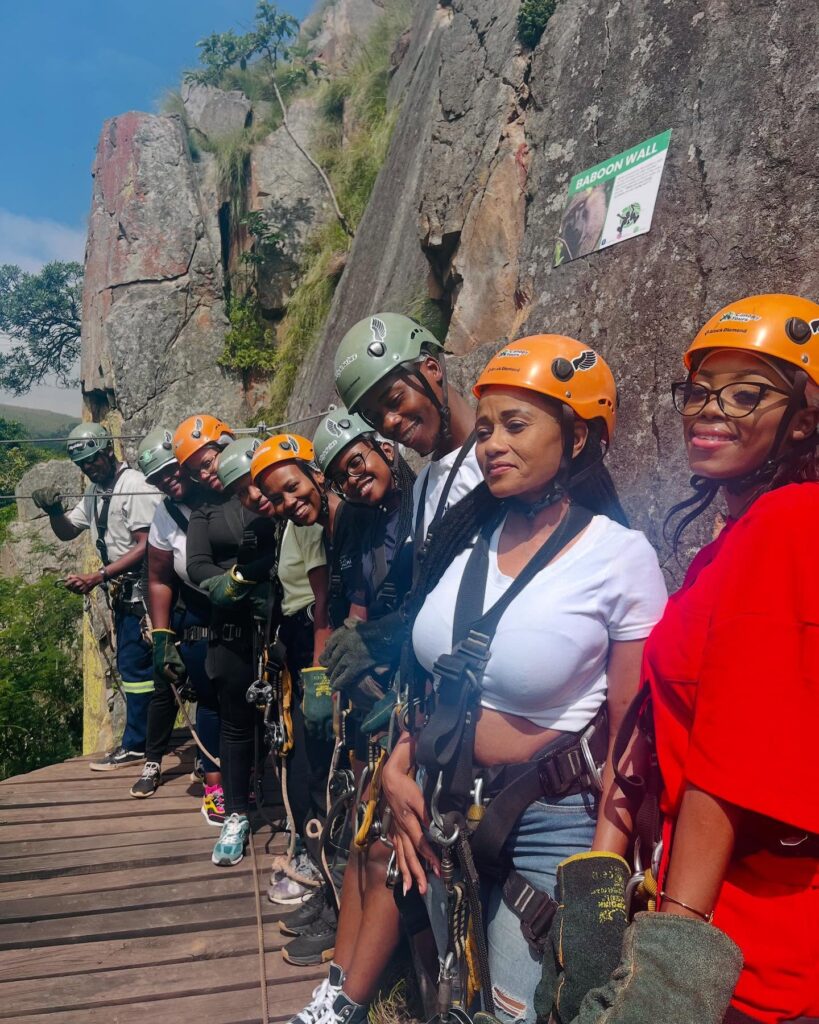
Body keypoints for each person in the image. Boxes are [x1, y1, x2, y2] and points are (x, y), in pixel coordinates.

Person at [361, 335, 667, 1024]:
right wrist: (396, 766)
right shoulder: (464, 539)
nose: (491, 442)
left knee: (517, 1008)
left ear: (579, 438)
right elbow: (433, 681)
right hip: (438, 799)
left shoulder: (619, 559)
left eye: (516, 425)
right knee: (454, 988)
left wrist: (601, 877)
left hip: (546, 815)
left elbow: (629, 732)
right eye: (488, 425)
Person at [571, 295, 819, 1024]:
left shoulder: (786, 522)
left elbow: (730, 756)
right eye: (699, 390)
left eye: (745, 393)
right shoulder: (729, 541)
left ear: (803, 418)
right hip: (719, 912)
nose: (707, 409)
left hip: (745, 942)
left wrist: (671, 960)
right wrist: (606, 880)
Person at [280, 409, 417, 986]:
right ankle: (345, 926)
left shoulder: (425, 505)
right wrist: (341, 683)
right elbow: (356, 607)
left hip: (413, 682)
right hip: (374, 688)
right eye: (342, 474)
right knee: (362, 810)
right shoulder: (360, 523)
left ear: (383, 448)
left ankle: (380, 959)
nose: (354, 479)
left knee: (390, 821)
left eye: (357, 462)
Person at [31, 423, 161, 770]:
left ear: (108, 451)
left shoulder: (133, 485)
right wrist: (54, 511)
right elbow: (68, 532)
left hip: (146, 586)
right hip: (121, 587)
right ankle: (146, 735)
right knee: (135, 665)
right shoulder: (95, 491)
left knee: (136, 667)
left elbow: (146, 545)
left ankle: (138, 742)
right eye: (83, 465)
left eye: (93, 460)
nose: (89, 468)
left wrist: (98, 575)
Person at [183, 417, 278, 866]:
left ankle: (298, 807)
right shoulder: (205, 511)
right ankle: (237, 813)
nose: (207, 473)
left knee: (289, 719)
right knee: (236, 722)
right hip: (233, 626)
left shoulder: (272, 487)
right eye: (197, 470)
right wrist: (231, 582)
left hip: (279, 621)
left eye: (209, 461)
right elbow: (197, 564)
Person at [250, 434, 338, 905]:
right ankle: (312, 853)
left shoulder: (308, 526)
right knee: (301, 752)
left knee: (312, 759)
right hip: (299, 636)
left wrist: (318, 672)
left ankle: (315, 858)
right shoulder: (292, 523)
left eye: (289, 489)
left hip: (312, 639)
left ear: (315, 474)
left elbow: (322, 598)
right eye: (274, 495)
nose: (283, 501)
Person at [128, 428, 224, 826]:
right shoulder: (165, 515)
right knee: (207, 693)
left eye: (172, 470)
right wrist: (164, 636)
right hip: (199, 609)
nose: (167, 481)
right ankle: (214, 781)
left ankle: (245, 770)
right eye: (157, 479)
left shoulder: (228, 491)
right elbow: (160, 575)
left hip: (251, 605)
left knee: (249, 695)